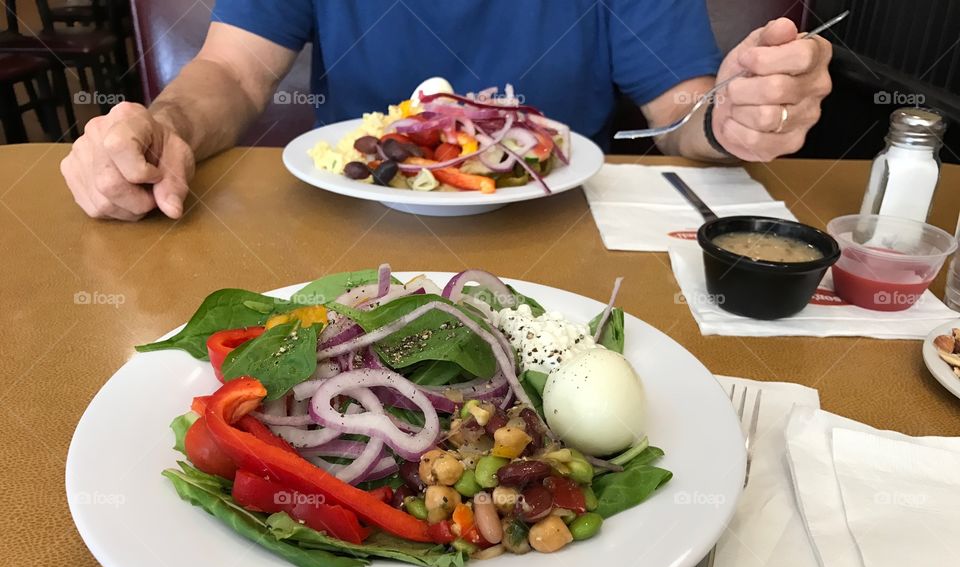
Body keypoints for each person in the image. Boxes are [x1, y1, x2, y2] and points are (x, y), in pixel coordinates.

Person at [60, 0, 833, 221]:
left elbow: (685, 109)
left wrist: (735, 115)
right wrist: (165, 126)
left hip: (565, 233)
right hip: (348, 229)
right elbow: (229, 70)